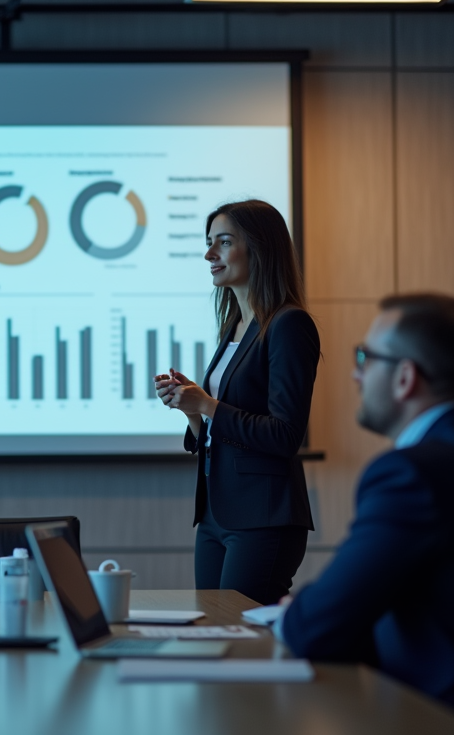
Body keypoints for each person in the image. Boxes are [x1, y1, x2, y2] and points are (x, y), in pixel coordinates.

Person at [279, 293, 454, 716]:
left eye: (366, 357)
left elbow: (314, 630)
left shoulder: (412, 475)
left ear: (406, 378)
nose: (355, 374)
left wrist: (304, 612)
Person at [154, 200, 319, 605]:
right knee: (212, 635)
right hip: (215, 513)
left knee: (241, 643)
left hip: (263, 517)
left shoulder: (289, 324)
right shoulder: (236, 326)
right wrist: (192, 409)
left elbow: (284, 434)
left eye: (223, 242)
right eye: (209, 243)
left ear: (259, 247)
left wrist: (208, 405)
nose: (209, 255)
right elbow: (217, 427)